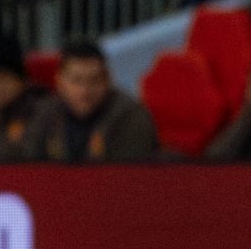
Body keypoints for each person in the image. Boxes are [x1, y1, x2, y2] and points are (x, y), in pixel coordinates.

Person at [13, 39, 159, 161]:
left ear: (108, 80)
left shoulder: (130, 115)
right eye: (76, 80)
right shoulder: (44, 113)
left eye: (94, 80)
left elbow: (130, 172)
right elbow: (27, 161)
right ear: (60, 81)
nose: (84, 90)